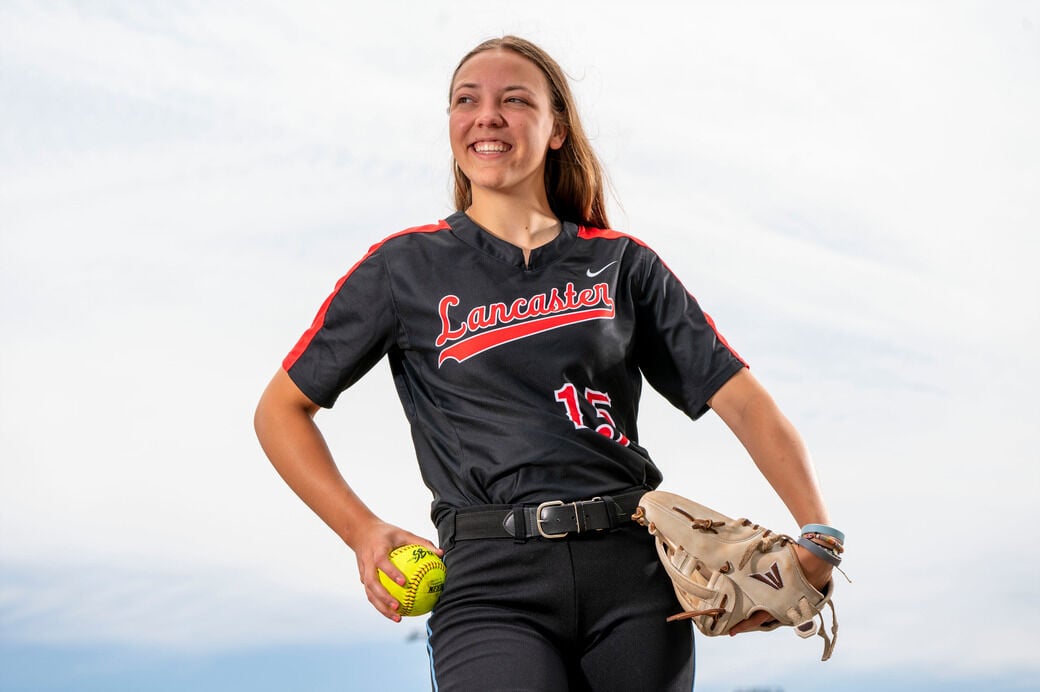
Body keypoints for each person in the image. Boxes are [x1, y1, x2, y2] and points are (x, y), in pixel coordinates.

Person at [254, 35, 839, 691]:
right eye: (465, 100)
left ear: (557, 128)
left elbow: (746, 403)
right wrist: (359, 530)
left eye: (514, 100)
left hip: (632, 577)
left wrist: (818, 535)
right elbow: (280, 410)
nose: (487, 116)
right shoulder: (403, 268)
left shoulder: (622, 264)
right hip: (489, 580)